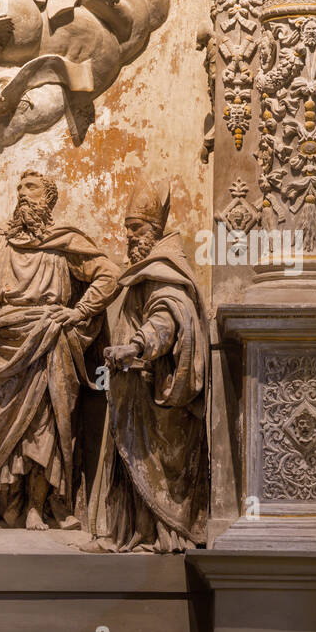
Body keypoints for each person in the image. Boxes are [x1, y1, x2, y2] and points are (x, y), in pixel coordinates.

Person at [0, 169, 120, 530]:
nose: (22, 194)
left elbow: (110, 274)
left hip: (49, 342)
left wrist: (79, 311)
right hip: (0, 344)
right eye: (19, 188)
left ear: (49, 199)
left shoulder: (64, 243)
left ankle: (39, 504)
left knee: (43, 428)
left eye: (30, 188)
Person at [102, 177, 209, 552]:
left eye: (135, 228)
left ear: (153, 229)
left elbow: (168, 319)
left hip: (154, 394)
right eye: (127, 228)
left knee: (156, 465)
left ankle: (164, 533)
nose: (129, 236)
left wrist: (134, 346)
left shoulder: (165, 271)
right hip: (133, 392)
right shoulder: (147, 268)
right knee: (134, 465)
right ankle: (135, 532)